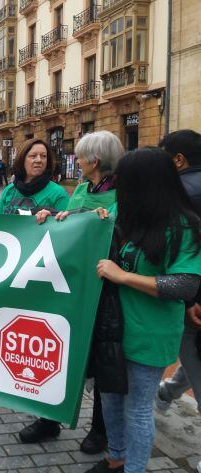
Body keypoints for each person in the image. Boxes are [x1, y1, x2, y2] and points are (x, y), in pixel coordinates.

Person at [85, 147, 201, 473]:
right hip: (114, 329)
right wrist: (57, 220)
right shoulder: (129, 215)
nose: (119, 187)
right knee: (109, 397)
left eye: (126, 182)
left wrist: (123, 276)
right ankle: (116, 458)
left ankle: (134, 468)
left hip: (149, 333)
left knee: (136, 408)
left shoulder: (183, 227)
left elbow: (183, 285)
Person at [29, 131, 125, 454]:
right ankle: (49, 419)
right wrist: (52, 219)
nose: (78, 162)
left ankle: (100, 430)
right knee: (62, 354)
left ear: (93, 161)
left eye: (81, 157)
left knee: (99, 362)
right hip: (72, 286)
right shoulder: (82, 189)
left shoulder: (121, 197)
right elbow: (66, 226)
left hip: (104, 293)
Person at [155, 129, 201, 414]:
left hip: (192, 296)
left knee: (193, 351)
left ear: (178, 160)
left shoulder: (180, 193)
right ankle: (168, 392)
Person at [0, 139, 69, 215]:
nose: (39, 160)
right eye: (33, 156)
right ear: (22, 160)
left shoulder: (58, 193)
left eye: (43, 156)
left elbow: (65, 225)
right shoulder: (9, 190)